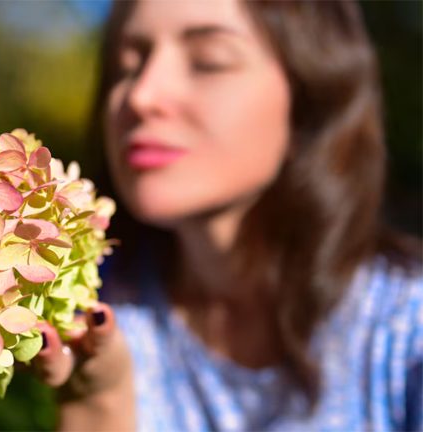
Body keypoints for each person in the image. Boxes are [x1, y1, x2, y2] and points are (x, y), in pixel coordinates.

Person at [32, 0, 423, 430]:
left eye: (208, 62)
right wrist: (99, 406)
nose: (141, 96)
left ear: (311, 100)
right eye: (127, 65)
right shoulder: (83, 304)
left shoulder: (406, 328)